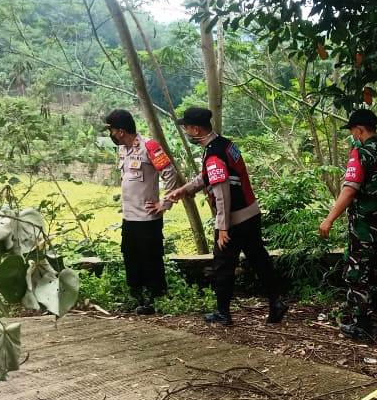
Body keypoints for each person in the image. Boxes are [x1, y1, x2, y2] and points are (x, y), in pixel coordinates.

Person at [160, 106, 287, 326]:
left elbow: (222, 193)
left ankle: (223, 313)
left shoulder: (213, 154)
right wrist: (185, 190)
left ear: (197, 130)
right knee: (259, 260)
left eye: (188, 128)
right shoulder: (225, 144)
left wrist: (223, 229)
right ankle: (276, 301)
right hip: (250, 213)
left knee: (222, 265)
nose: (187, 132)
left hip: (233, 219)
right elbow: (207, 178)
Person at [318, 109, 377, 341]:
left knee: (358, 272)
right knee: (375, 265)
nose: (353, 135)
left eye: (353, 131)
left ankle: (362, 325)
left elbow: (349, 190)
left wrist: (329, 219)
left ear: (359, 129)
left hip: (364, 226)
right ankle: (374, 308)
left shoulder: (360, 153)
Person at [104, 109, 178, 314]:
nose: (110, 134)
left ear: (120, 131)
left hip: (147, 217)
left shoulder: (150, 146)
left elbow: (170, 173)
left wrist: (165, 203)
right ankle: (136, 296)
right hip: (129, 216)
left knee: (150, 258)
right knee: (130, 255)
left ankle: (156, 298)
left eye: (111, 130)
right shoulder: (122, 150)